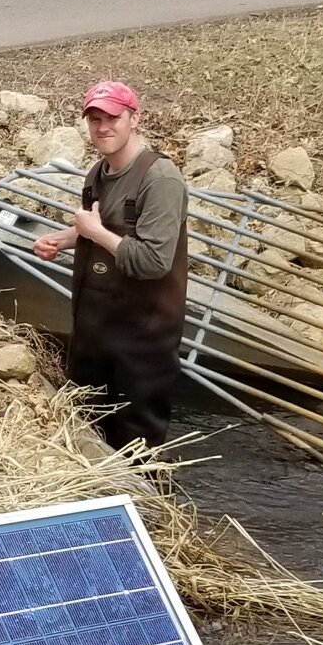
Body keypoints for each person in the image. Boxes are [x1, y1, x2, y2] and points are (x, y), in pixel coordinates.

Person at [33, 80, 188, 450]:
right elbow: (93, 229)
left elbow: (152, 261)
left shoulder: (160, 179)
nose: (103, 127)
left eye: (113, 117)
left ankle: (142, 506)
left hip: (142, 346)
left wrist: (94, 232)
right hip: (93, 337)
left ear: (134, 118)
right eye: (94, 118)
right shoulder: (97, 174)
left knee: (136, 452)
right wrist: (62, 239)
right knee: (87, 438)